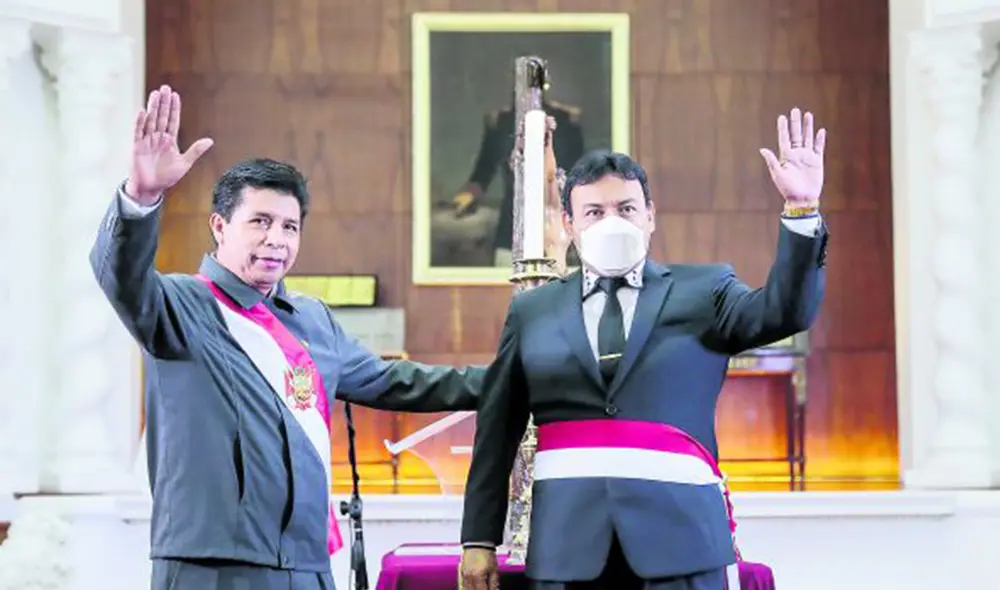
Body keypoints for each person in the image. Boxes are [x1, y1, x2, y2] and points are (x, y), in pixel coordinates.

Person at [91, 84, 484, 590]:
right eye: (260, 222)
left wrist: (512, 378)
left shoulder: (313, 320)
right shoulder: (180, 305)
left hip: (305, 563)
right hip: (209, 566)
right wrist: (140, 198)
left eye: (290, 227)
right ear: (219, 226)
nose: (277, 239)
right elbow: (120, 276)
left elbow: (401, 383)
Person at [459, 107, 829, 590]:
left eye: (626, 209)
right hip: (566, 551)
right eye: (594, 212)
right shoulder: (534, 311)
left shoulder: (706, 290)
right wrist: (478, 541)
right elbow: (498, 427)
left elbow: (785, 314)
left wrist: (801, 212)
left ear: (650, 217)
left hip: (683, 547)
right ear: (569, 225)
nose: (612, 221)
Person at [452, 98, 585, 266]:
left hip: (556, 231)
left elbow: (577, 178)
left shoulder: (566, 122)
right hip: (511, 230)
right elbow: (483, 171)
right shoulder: (501, 123)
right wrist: (467, 196)